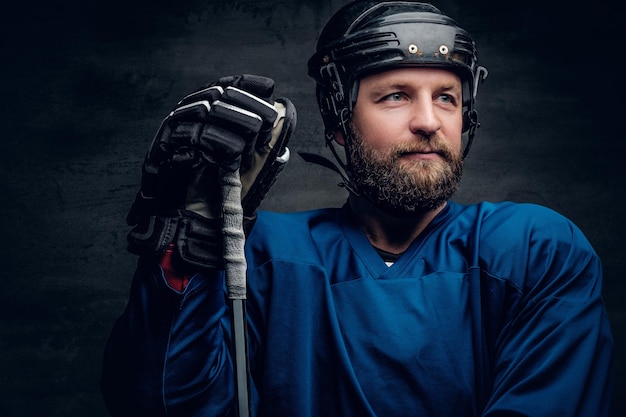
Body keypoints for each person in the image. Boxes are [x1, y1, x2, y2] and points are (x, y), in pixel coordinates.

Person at [101, 2, 614, 416]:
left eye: (448, 98)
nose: (429, 121)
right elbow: (163, 405)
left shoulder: (537, 252)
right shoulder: (254, 258)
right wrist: (183, 255)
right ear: (339, 119)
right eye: (395, 95)